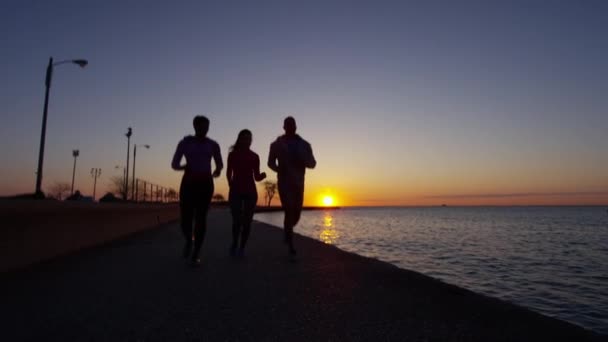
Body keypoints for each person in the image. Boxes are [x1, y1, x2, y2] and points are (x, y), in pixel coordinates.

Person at [172, 115, 223, 267]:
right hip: (188, 183)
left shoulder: (213, 144)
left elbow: (219, 164)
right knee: (185, 220)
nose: (204, 129)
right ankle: (189, 240)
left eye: (207, 127)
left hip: (206, 183)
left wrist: (217, 171)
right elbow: (174, 164)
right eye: (201, 127)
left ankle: (196, 253)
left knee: (201, 218)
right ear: (195, 126)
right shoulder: (185, 143)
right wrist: (183, 167)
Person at [268, 116, 316, 256]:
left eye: (292, 125)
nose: (290, 127)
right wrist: (278, 169)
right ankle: (291, 246)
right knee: (289, 210)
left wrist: (303, 159)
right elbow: (270, 163)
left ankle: (287, 230)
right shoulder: (276, 144)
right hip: (284, 183)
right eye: (287, 125)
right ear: (283, 127)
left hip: (299, 184)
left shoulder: (305, 144)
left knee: (296, 215)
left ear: (296, 127)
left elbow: (312, 163)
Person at [226, 129, 266, 257]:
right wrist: (230, 183)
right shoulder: (232, 155)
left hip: (250, 191)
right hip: (236, 191)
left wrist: (262, 176)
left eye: (249, 138)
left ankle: (242, 248)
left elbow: (256, 177)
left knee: (247, 222)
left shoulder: (255, 156)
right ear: (240, 139)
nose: (247, 141)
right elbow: (228, 172)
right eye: (244, 138)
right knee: (237, 221)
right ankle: (234, 243)